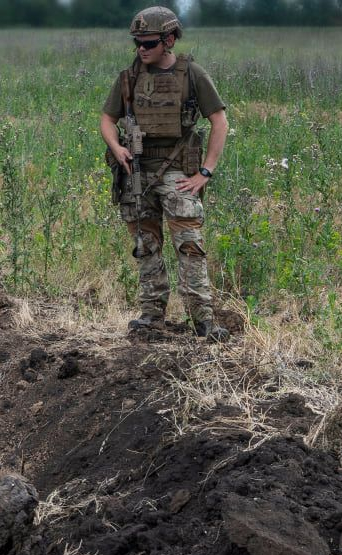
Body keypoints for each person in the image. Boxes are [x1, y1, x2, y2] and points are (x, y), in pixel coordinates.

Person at [100, 6, 231, 341]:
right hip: (137, 172)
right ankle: (151, 314)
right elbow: (107, 120)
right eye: (137, 43)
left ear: (169, 39)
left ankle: (203, 320)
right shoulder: (128, 77)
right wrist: (117, 148)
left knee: (189, 245)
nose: (141, 49)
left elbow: (219, 121)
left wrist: (206, 171)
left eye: (149, 43)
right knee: (145, 245)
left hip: (178, 173)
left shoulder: (193, 75)